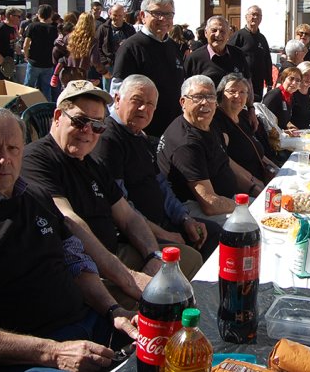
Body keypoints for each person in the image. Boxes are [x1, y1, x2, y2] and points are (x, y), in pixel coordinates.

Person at [0, 106, 138, 372]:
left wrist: (113, 311)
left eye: (13, 148)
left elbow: (77, 265)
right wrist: (53, 352)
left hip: (88, 327)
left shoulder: (36, 196)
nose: (4, 159)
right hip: (29, 357)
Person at [22, 80, 202, 306]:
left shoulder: (91, 163)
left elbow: (128, 217)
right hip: (83, 269)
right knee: (155, 301)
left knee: (190, 260)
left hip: (116, 253)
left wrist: (152, 256)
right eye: (80, 121)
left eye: (97, 125)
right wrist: (130, 278)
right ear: (58, 116)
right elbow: (70, 222)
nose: (88, 131)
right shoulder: (36, 159)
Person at [92, 75, 219, 261]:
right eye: (137, 101)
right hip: (137, 236)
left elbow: (161, 185)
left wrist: (185, 219)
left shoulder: (140, 136)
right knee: (194, 256)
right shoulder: (108, 140)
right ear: (118, 99)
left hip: (165, 222)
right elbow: (121, 206)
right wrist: (163, 234)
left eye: (150, 104)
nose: (144, 108)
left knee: (215, 234)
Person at [158, 75, 265, 224]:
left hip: (226, 200)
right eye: (198, 97)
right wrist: (246, 207)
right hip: (196, 210)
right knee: (260, 223)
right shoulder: (186, 143)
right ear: (183, 102)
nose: (205, 102)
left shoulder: (210, 123)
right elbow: (209, 204)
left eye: (210, 97)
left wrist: (255, 187)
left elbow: (226, 162)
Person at [112, 0, 185, 139]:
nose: (163, 19)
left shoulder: (174, 47)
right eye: (157, 13)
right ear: (143, 15)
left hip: (171, 131)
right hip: (142, 133)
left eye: (169, 14)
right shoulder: (131, 47)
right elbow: (118, 91)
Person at [213, 72, 280, 184]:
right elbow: (225, 161)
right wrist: (256, 185)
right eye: (232, 91)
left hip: (263, 177)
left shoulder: (244, 116)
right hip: (243, 186)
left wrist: (278, 170)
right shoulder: (217, 120)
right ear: (221, 93)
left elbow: (257, 152)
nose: (238, 96)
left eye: (242, 92)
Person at [185, 15, 251, 88]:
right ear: (206, 33)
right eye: (214, 30)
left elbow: (248, 83)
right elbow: (186, 88)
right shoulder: (194, 59)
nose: (218, 35)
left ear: (229, 34)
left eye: (222, 31)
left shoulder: (238, 54)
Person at [230, 5, 273, 101]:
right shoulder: (239, 36)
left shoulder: (262, 38)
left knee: (256, 105)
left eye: (258, 15)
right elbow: (229, 55)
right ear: (246, 17)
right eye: (253, 14)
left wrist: (269, 81)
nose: (255, 17)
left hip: (258, 81)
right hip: (242, 80)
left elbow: (267, 60)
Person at [96, 3, 135, 92]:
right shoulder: (103, 28)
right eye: (114, 15)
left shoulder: (130, 29)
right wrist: (104, 67)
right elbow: (97, 48)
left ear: (124, 15)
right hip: (109, 66)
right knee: (108, 92)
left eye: (120, 15)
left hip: (125, 65)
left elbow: (135, 46)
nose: (117, 17)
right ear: (110, 14)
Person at [22, 4, 58, 100]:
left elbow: (26, 44)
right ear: (51, 15)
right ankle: (46, 110)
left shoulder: (32, 26)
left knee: (28, 87)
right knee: (46, 89)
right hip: (48, 63)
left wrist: (26, 55)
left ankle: (26, 105)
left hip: (34, 61)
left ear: (38, 14)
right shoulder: (54, 29)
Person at [62, 12, 107, 86]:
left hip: (69, 71)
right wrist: (104, 72)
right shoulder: (92, 40)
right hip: (85, 73)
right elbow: (95, 60)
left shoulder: (68, 37)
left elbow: (62, 53)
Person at [0, 7, 22, 81]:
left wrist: (17, 48)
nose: (20, 19)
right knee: (0, 88)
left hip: (8, 62)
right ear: (11, 16)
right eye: (18, 16)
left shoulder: (12, 28)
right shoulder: (1, 28)